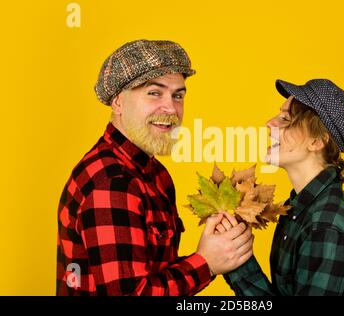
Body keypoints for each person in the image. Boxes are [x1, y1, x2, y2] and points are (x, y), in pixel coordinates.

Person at [56, 40, 253, 295]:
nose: (171, 108)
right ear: (118, 102)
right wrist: (206, 263)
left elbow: (154, 273)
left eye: (178, 95)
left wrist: (214, 248)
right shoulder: (113, 184)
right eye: (154, 93)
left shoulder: (156, 174)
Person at [218, 79, 344, 295]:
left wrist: (237, 263)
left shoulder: (325, 227)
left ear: (316, 141)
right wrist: (236, 256)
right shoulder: (300, 208)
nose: (269, 123)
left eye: (286, 119)